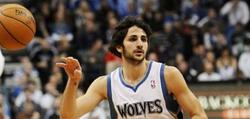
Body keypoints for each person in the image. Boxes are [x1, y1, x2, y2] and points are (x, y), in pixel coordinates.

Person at [57, 16, 207, 119]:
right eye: (133, 39)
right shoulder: (106, 84)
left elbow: (198, 113)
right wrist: (73, 81)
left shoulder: (167, 75)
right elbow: (68, 115)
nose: (140, 44)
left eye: (144, 39)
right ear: (119, 47)